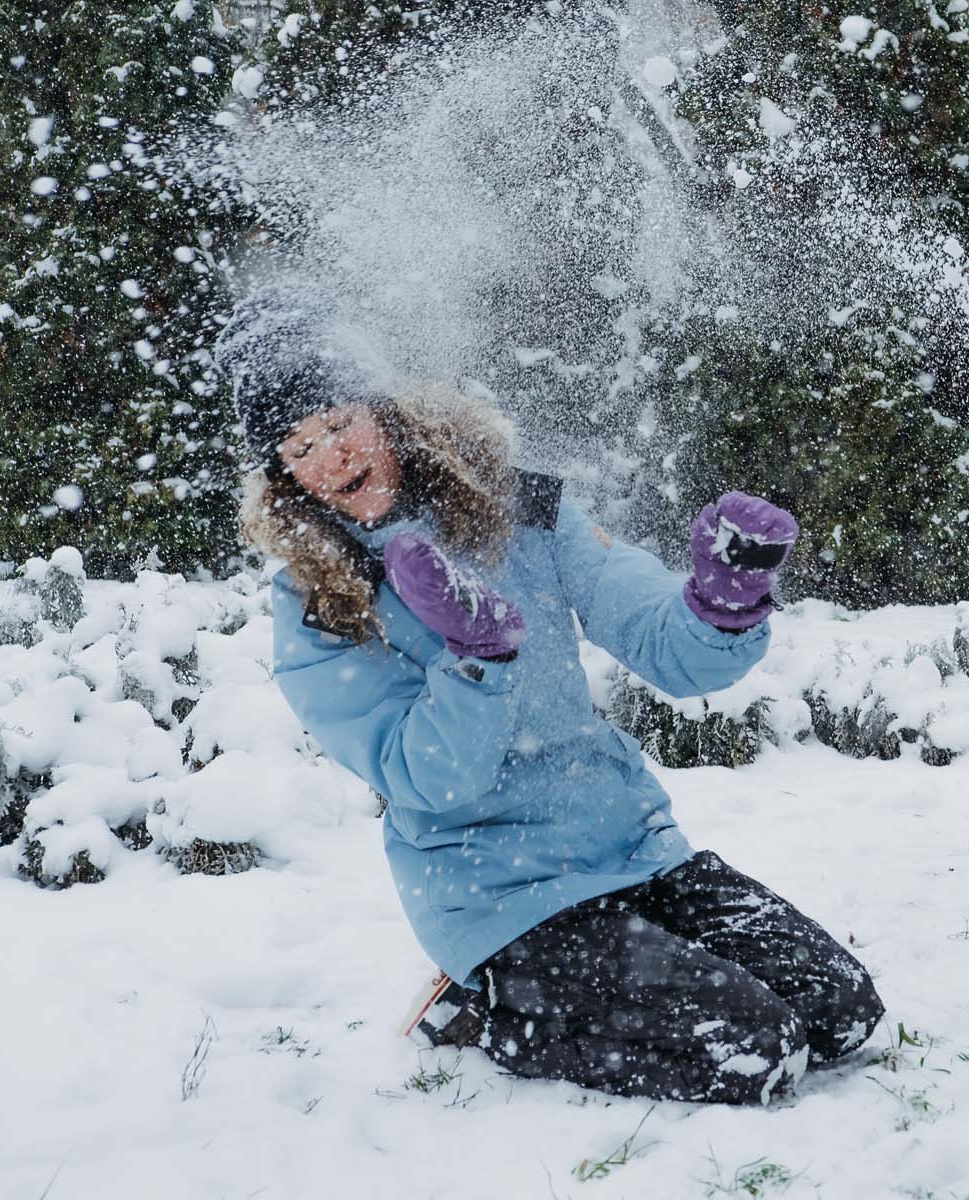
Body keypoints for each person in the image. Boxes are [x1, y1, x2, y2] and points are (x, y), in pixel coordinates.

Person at [218, 298, 882, 1105]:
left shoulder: (522, 510)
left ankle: (601, 968)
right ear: (283, 475)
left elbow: (659, 642)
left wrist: (720, 604)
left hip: (629, 848)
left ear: (386, 413)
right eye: (299, 447)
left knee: (842, 1010)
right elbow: (427, 782)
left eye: (339, 421)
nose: (330, 457)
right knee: (754, 1049)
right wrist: (476, 661)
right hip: (500, 894)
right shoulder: (318, 605)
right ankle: (488, 1009)